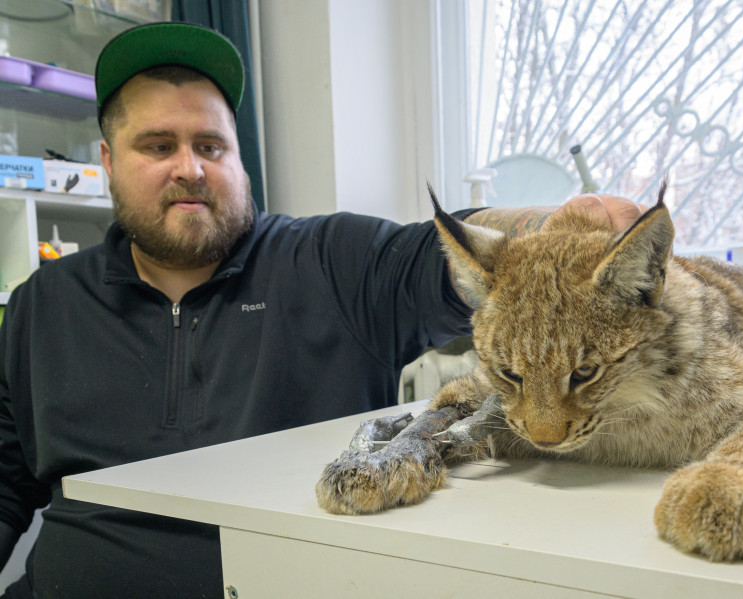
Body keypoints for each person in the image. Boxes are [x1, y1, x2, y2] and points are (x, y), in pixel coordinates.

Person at [0, 22, 642, 598]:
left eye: (212, 146)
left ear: (240, 159)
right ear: (107, 160)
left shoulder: (331, 261)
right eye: (158, 146)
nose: (190, 169)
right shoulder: (42, 305)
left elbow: (444, 252)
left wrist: (551, 230)